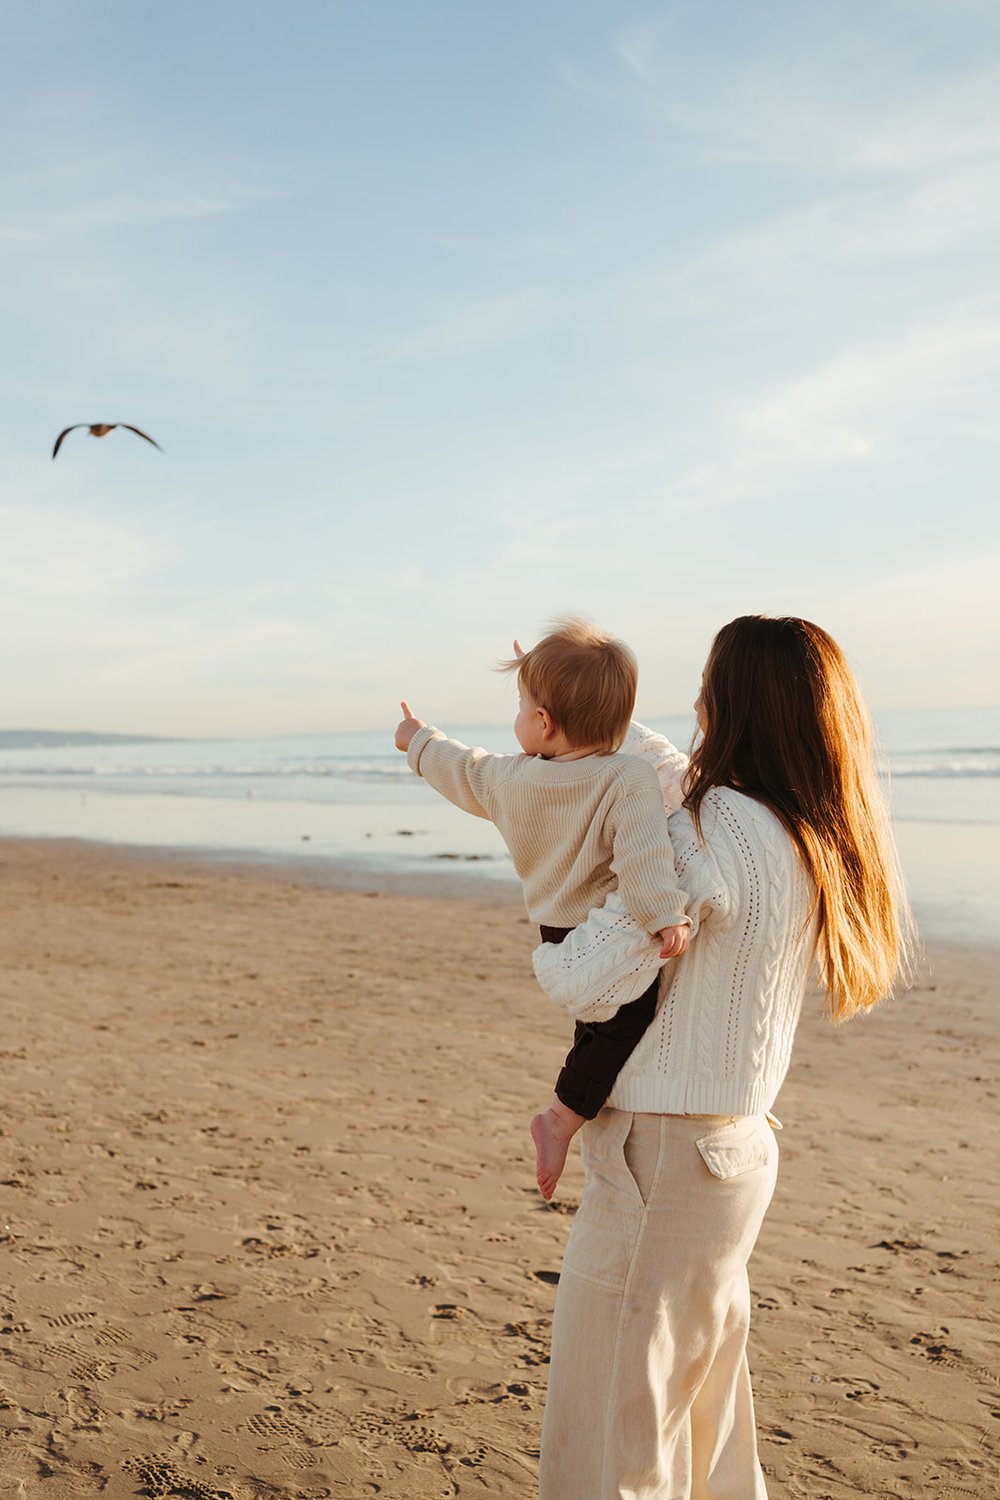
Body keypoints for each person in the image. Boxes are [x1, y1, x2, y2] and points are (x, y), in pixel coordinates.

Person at [535, 614, 915, 1500]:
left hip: (660, 1162)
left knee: (607, 1447)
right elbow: (667, 761)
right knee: (705, 1437)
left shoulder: (709, 828)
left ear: (735, 700)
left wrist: (550, 947)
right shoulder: (806, 834)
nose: (697, 699)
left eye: (710, 682)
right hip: (733, 1155)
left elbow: (586, 982)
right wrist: (592, 702)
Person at [394, 617, 692, 1200]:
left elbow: (461, 768)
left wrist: (419, 740)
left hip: (555, 929)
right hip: (608, 930)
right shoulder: (628, 776)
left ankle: (561, 1117)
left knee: (594, 1024)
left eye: (524, 704)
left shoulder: (509, 779)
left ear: (543, 722)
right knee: (621, 1024)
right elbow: (644, 857)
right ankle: (559, 1119)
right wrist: (664, 916)